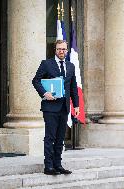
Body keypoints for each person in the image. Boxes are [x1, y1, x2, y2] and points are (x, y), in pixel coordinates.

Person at [32, 40, 80, 175]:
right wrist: (44, 93)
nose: (61, 51)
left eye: (64, 49)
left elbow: (73, 87)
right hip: (50, 108)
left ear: (67, 50)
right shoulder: (46, 64)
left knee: (60, 138)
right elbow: (35, 80)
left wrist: (76, 105)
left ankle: (58, 165)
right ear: (55, 50)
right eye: (59, 49)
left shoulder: (70, 66)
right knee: (50, 137)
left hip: (64, 108)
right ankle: (48, 166)